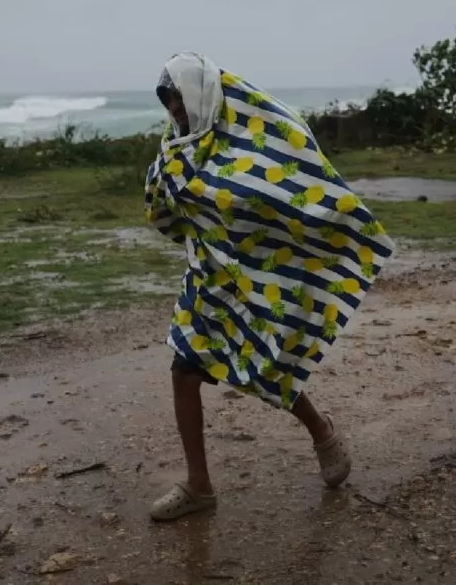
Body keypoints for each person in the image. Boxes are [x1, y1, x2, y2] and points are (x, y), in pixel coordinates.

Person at [143, 52, 396, 521]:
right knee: (183, 370)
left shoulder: (255, 140)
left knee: (266, 363)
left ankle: (322, 432)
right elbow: (167, 207)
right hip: (208, 278)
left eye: (179, 96)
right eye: (168, 100)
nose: (174, 108)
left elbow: (292, 188)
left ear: (200, 92)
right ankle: (199, 486)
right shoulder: (176, 147)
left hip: (259, 276)